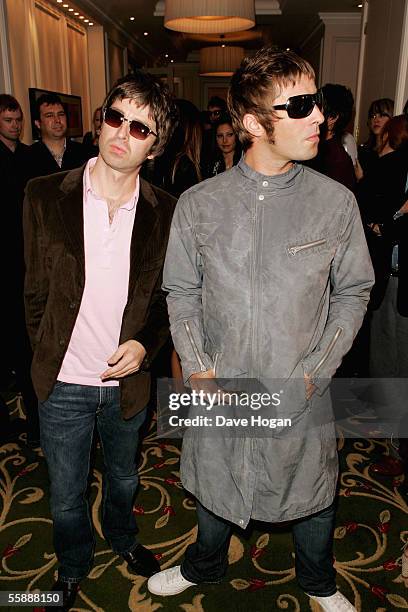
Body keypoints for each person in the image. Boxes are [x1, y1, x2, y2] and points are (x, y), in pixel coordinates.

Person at [148, 48, 374, 611]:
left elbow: (353, 292)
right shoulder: (199, 205)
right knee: (216, 482)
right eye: (299, 105)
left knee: (315, 491)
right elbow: (182, 291)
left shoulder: (336, 203)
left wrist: (313, 375)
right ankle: (204, 566)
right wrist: (198, 368)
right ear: (252, 124)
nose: (319, 115)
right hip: (222, 385)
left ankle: (318, 581)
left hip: (300, 385)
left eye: (316, 101)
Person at [23, 72, 176, 611]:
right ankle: (71, 565)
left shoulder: (167, 210)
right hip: (62, 381)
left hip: (126, 384)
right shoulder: (43, 194)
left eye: (140, 127)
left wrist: (146, 345)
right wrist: (44, 356)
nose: (122, 133)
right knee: (65, 497)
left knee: (124, 476)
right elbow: (33, 292)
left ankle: (124, 537)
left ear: (154, 147)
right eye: (116, 116)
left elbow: (168, 300)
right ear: (100, 118)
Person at [0, 94, 39, 445]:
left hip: (29, 260)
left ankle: (37, 422)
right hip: (4, 264)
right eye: (9, 120)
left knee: (28, 347)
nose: (15, 126)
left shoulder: (29, 157)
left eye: (18, 120)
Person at [26, 93, 86, 179]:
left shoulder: (84, 153)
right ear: (38, 123)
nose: (57, 120)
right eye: (49, 116)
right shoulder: (27, 158)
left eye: (61, 114)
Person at [309, 83, 356, 192]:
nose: (312, 113)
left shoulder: (337, 161)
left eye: (318, 108)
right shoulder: (313, 147)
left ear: (332, 118)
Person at [357, 97, 394, 179]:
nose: (376, 120)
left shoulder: (396, 154)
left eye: (381, 115)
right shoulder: (363, 151)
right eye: (373, 116)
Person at [207, 113, 241, 177]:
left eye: (229, 135)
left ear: (236, 136)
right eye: (220, 136)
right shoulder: (210, 163)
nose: (224, 140)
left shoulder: (245, 161)